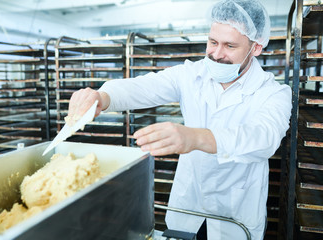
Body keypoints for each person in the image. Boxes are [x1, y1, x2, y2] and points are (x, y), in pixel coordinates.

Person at [67, 0, 292, 239]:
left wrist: (195, 137)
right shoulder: (191, 75)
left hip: (235, 216)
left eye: (229, 46)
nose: (216, 54)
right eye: (213, 42)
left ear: (255, 48)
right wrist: (102, 96)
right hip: (188, 206)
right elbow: (144, 87)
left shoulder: (273, 92)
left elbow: (263, 137)